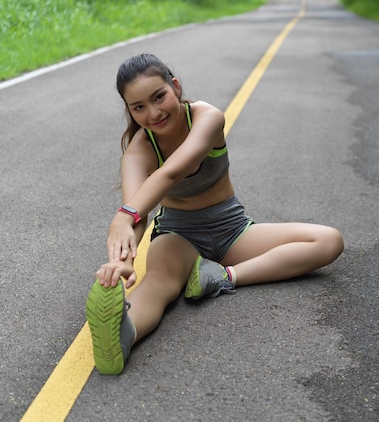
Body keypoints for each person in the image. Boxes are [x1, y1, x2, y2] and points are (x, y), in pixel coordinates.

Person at [85, 53, 344, 375]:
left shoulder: (207, 117)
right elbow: (138, 213)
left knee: (328, 240)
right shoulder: (139, 149)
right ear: (130, 110)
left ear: (175, 87)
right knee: (158, 284)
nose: (153, 113)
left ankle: (221, 276)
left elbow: (174, 172)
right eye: (139, 107)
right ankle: (124, 334)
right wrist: (121, 262)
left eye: (159, 97)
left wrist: (122, 216)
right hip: (178, 235)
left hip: (232, 229)